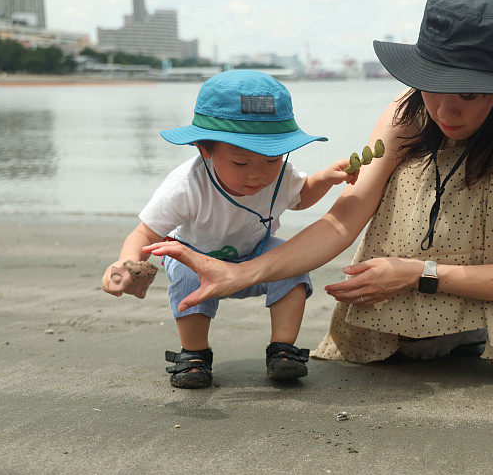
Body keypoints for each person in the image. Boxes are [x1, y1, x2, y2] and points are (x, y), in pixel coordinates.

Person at [144, 0, 493, 390]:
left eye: (469, 93)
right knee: (398, 176)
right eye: (432, 84)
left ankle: (477, 314)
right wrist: (240, 274)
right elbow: (344, 219)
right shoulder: (408, 113)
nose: (446, 111)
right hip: (464, 228)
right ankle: (459, 318)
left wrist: (418, 274)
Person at [102, 70, 357, 388]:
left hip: (256, 256)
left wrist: (323, 179)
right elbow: (145, 233)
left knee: (293, 261)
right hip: (196, 255)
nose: (258, 175)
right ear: (203, 148)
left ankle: (283, 350)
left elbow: (301, 196)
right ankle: (194, 355)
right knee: (185, 272)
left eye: (271, 160)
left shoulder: (280, 175)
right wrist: (126, 264)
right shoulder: (187, 185)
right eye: (241, 163)